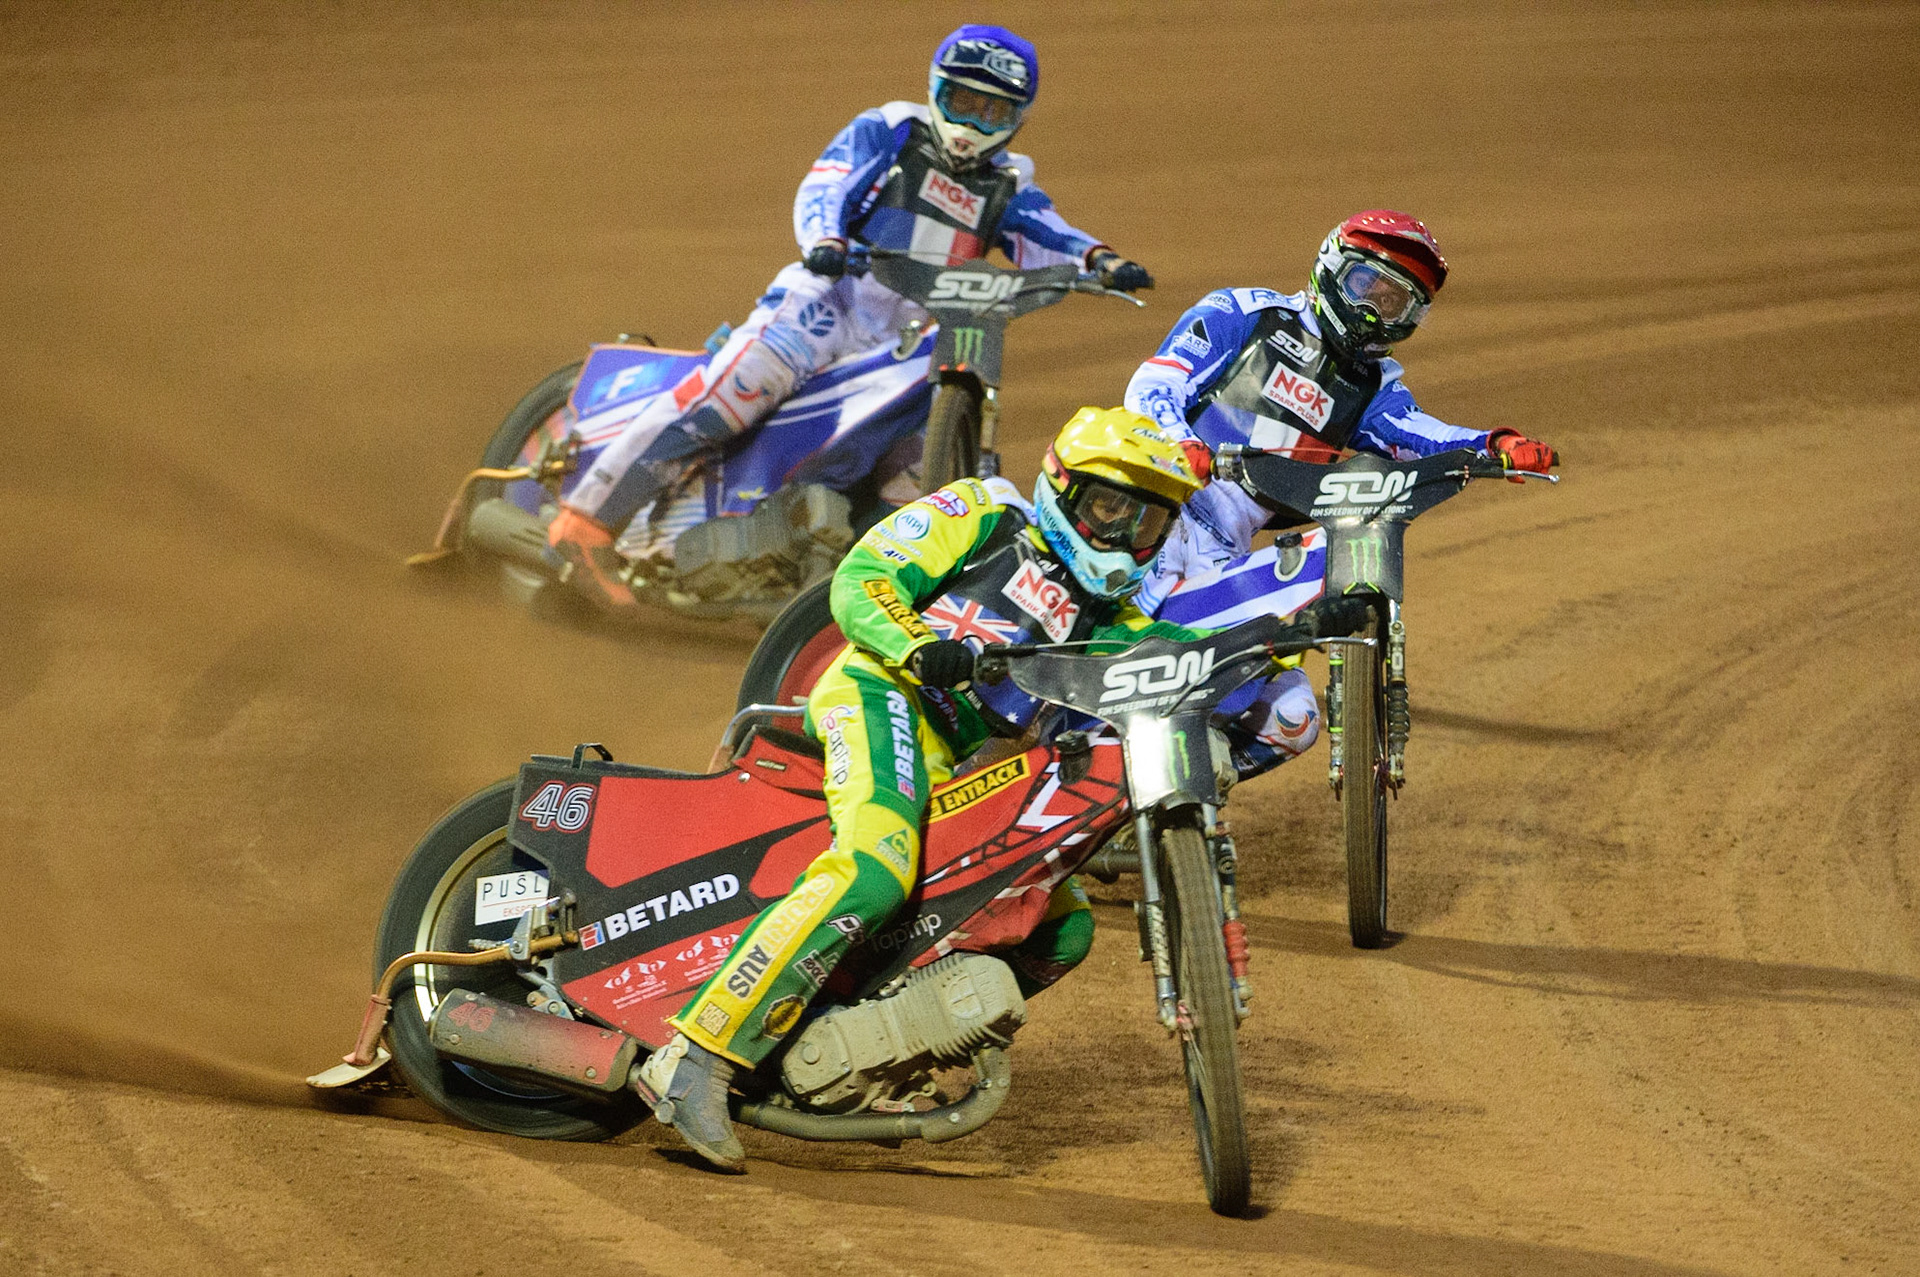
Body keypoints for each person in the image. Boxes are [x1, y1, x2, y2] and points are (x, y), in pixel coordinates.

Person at [635, 407, 1274, 1171]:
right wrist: (921, 644)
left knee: (1059, 927)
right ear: (1064, 490)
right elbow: (861, 581)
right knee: (876, 869)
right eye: (1109, 505)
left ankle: (857, 1039)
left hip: (956, 765)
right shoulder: (983, 512)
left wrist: (1273, 648)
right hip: (881, 696)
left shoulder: (1110, 616)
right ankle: (697, 1054)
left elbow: (1175, 650)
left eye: (1146, 520)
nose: (1122, 531)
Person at [546, 25, 1154, 614]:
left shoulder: (1008, 182)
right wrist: (826, 239)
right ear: (936, 89)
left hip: (910, 339)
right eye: (961, 102)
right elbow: (826, 186)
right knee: (733, 392)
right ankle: (587, 522)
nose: (971, 125)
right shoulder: (890, 130)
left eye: (991, 112)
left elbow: (1048, 232)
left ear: (1016, 118)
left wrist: (1102, 261)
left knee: (910, 480)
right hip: (829, 301)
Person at [1122, 210, 1561, 779]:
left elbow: (1416, 434)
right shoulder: (1242, 313)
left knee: (1295, 719)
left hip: (1221, 554)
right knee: (1099, 661)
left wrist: (1493, 444)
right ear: (1332, 267)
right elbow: (1153, 384)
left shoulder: (1372, 387)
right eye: (1365, 286)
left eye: (1396, 302)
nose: (1374, 310)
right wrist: (1184, 448)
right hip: (1146, 515)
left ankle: (1177, 815)